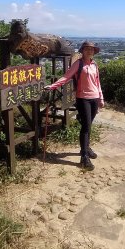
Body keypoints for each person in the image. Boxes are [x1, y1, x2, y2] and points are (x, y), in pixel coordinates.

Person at [44, 40, 104, 170]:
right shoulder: (78, 63)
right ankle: (84, 157)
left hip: (94, 98)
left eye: (92, 49)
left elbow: (97, 82)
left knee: (88, 125)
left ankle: (86, 147)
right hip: (83, 99)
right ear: (82, 50)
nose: (90, 51)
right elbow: (66, 77)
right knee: (86, 127)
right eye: (87, 49)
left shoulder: (94, 64)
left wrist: (101, 98)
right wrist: (53, 86)